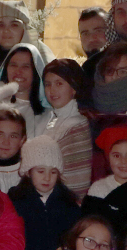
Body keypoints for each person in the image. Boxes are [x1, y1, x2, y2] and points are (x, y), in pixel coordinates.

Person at [10, 136, 83, 250]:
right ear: (28, 172)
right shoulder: (15, 202)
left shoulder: (69, 204)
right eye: (41, 171)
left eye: (53, 172)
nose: (47, 178)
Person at [36, 59, 96, 198]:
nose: (52, 90)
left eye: (59, 83)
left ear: (74, 88)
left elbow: (77, 183)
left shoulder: (77, 125)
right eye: (48, 84)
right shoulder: (50, 118)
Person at [0, 42, 50, 137]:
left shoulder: (48, 115)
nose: (18, 71)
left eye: (26, 66)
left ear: (36, 72)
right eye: (13, 65)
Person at [0, 0, 51, 68]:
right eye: (0, 25)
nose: (6, 30)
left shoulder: (43, 59)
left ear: (24, 30)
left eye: (14, 25)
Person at [77, 8, 109, 79]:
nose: (91, 38)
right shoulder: (81, 76)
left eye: (98, 31)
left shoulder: (125, 68)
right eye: (85, 33)